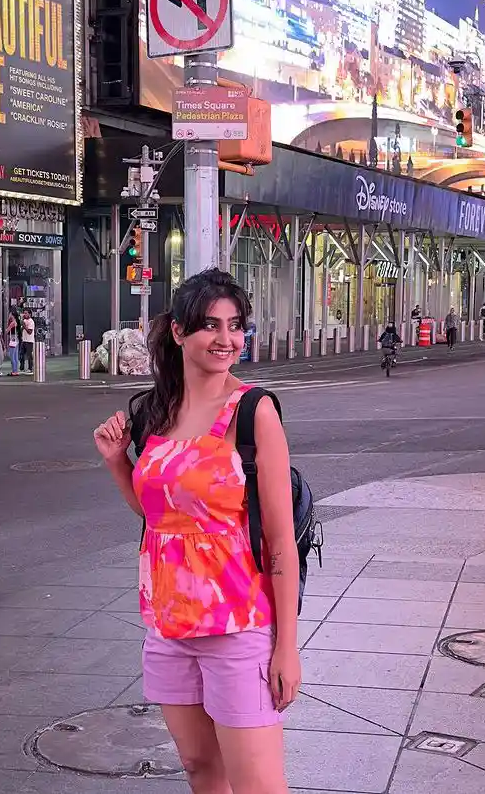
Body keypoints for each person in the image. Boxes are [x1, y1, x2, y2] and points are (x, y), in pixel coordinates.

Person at [93, 269, 298, 793]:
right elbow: (158, 516)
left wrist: (286, 648)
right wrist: (117, 462)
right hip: (168, 626)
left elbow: (280, 541)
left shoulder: (253, 411)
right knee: (200, 770)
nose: (227, 338)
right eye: (211, 325)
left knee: (258, 786)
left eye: (236, 325)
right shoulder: (155, 412)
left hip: (238, 627)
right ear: (180, 331)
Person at [20, 309, 36, 374]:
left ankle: (30, 368)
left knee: (29, 355)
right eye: (24, 313)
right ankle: (22, 368)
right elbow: (21, 329)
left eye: (26, 313)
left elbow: (30, 332)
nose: (25, 314)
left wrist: (24, 326)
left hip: (29, 341)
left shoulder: (31, 321)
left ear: (29, 314)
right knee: (21, 354)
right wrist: (22, 326)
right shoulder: (24, 320)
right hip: (24, 340)